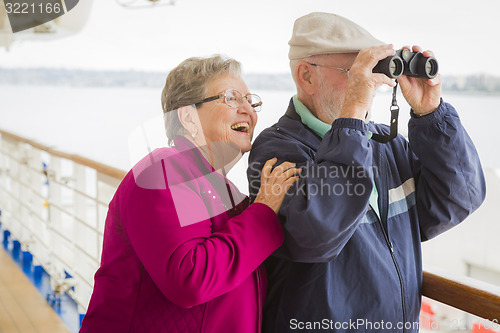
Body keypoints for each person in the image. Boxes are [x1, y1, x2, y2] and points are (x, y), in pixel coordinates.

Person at [247, 12, 486, 333]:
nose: (370, 83)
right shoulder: (277, 150)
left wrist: (430, 114)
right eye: (354, 71)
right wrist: (355, 110)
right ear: (306, 76)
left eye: (372, 70)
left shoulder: (386, 145)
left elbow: (456, 201)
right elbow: (317, 237)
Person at [80, 55, 301, 333]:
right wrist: (264, 211)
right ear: (188, 117)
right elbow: (190, 280)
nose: (248, 110)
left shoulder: (224, 192)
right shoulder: (162, 170)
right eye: (232, 99)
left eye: (251, 101)